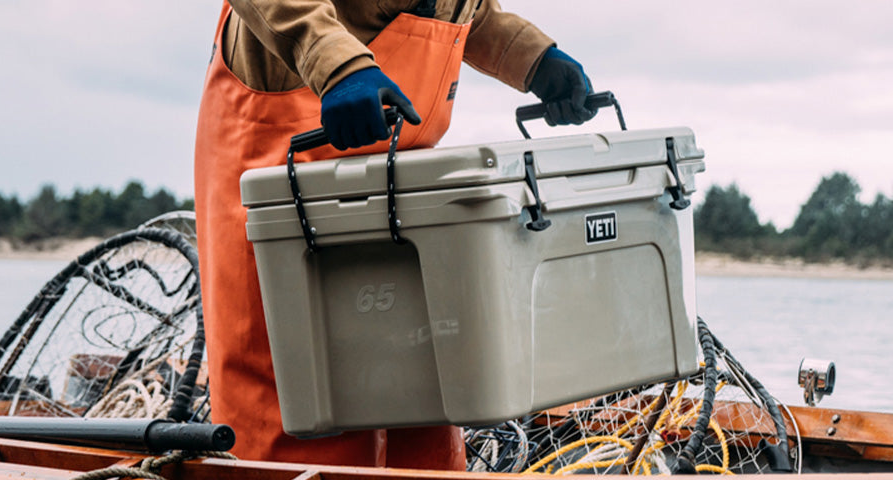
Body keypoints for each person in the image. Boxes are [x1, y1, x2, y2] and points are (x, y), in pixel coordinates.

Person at [193, 0, 597, 469]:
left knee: (422, 384)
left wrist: (530, 56)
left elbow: (468, 9)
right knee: (293, 395)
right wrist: (338, 65)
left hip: (400, 196)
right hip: (280, 181)